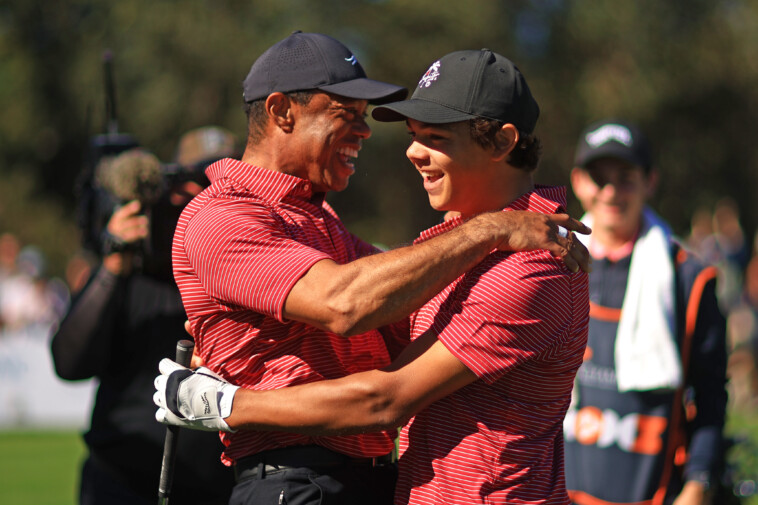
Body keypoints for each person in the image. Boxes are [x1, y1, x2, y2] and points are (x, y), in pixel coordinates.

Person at [156, 47, 590, 505]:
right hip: (299, 481)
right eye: (348, 113)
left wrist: (226, 403)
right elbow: (353, 303)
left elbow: (383, 393)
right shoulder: (227, 215)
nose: (410, 150)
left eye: (436, 137)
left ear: (503, 143)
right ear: (280, 111)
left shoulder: (531, 260)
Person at [51, 135, 237, 505]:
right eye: (190, 187)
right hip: (120, 481)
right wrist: (115, 261)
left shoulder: (245, 271)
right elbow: (69, 363)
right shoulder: (131, 268)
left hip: (217, 488)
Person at [562, 119, 728, 505]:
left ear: (650, 181)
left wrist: (699, 483)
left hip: (653, 492)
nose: (610, 191)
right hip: (558, 492)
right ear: (577, 181)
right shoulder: (548, 265)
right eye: (598, 177)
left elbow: (710, 394)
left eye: (625, 177)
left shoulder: (690, 278)